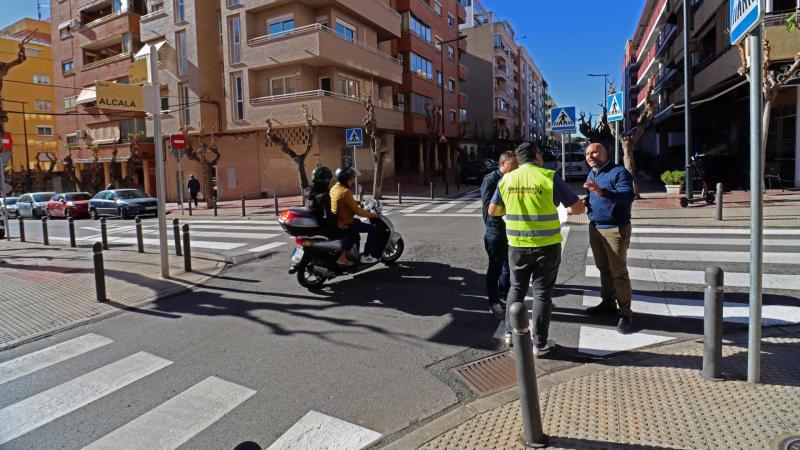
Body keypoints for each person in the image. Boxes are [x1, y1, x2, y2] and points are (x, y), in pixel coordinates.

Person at [489, 142, 585, 356]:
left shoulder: (507, 179)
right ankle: (539, 344)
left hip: (517, 246)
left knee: (516, 290)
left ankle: (510, 334)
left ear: (519, 159)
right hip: (547, 246)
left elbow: (493, 210)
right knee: (542, 293)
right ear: (538, 156)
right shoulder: (549, 176)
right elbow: (578, 208)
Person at [583, 143, 636, 334]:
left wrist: (602, 191)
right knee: (603, 268)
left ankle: (625, 313)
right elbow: (592, 195)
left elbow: (628, 196)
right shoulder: (593, 173)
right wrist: (586, 201)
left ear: (606, 153)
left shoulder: (619, 172)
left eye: (595, 152)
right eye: (588, 153)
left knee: (618, 272)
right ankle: (607, 302)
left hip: (615, 228)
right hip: (595, 227)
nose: (591, 156)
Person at [481, 150, 518, 320]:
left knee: (507, 266)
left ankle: (504, 295)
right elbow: (488, 209)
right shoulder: (491, 180)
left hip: (510, 228)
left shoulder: (513, 178)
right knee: (495, 267)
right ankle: (493, 302)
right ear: (502, 163)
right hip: (495, 230)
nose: (516, 167)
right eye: (513, 164)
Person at [330, 167, 378, 266]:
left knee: (358, 225)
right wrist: (372, 215)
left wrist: (359, 202)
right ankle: (366, 256)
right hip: (345, 222)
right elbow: (358, 211)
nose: (352, 182)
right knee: (373, 229)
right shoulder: (345, 192)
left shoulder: (335, 188)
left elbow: (345, 202)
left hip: (338, 220)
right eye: (351, 179)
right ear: (345, 179)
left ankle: (352, 254)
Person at [304, 166, 337, 234]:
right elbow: (329, 215)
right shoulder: (323, 195)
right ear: (325, 179)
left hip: (312, 223)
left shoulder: (308, 191)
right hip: (321, 225)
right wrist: (338, 221)